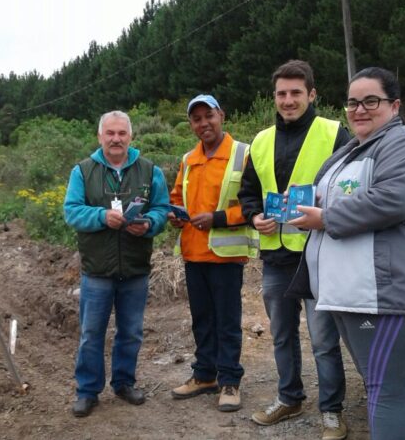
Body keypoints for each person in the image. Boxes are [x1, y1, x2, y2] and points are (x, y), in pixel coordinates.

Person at [290, 67, 405, 440]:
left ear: (394, 105)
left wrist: (325, 218)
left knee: (386, 389)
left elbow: (394, 200)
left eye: (370, 101)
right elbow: (327, 195)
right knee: (379, 384)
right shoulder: (351, 152)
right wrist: (294, 207)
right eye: (352, 102)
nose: (359, 109)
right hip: (356, 298)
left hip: (394, 296)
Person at [238, 60, 350, 439]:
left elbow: (353, 188)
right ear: (274, 96)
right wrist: (255, 218)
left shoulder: (335, 133)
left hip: (320, 253)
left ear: (312, 94)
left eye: (296, 93)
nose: (288, 100)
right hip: (277, 257)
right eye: (282, 94)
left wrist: (325, 211)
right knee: (282, 334)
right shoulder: (260, 140)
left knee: (322, 339)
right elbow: (248, 192)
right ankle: (290, 397)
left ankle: (332, 411)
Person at [63, 110, 169, 417]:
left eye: (121, 133)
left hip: (135, 268)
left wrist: (149, 223)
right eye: (110, 133)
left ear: (131, 136)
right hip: (97, 270)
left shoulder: (150, 171)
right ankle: (87, 390)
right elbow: (72, 212)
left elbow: (162, 209)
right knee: (91, 332)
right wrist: (101, 217)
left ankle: (124, 383)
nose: (116, 139)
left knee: (132, 332)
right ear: (99, 137)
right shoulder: (82, 171)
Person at [168, 95, 259, 412]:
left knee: (227, 322)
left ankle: (230, 380)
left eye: (209, 116)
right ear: (191, 124)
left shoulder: (244, 154)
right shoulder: (188, 159)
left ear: (221, 115)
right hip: (193, 253)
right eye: (196, 119)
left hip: (225, 257)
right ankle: (205, 375)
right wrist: (175, 213)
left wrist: (218, 218)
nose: (203, 123)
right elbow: (178, 196)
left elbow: (253, 205)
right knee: (202, 321)